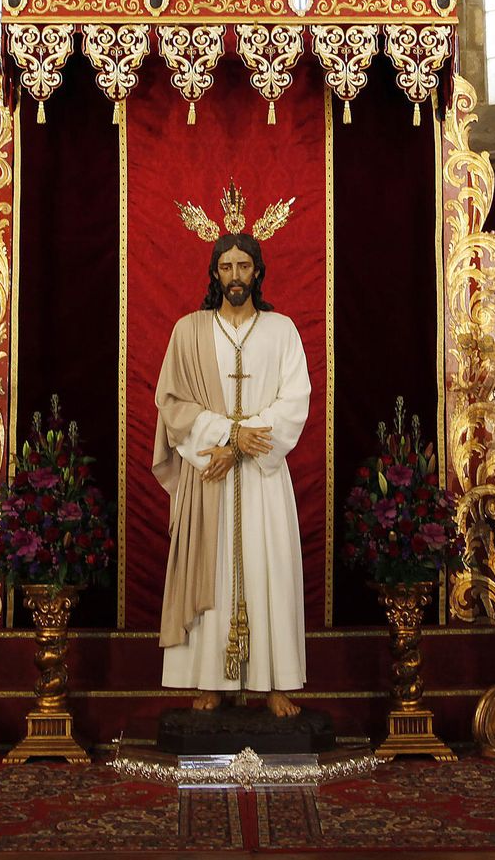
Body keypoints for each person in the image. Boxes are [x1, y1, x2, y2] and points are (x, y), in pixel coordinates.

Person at [153, 230, 312, 717]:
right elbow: (172, 404)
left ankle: (276, 682)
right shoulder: (189, 330)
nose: (235, 276)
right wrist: (225, 437)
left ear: (257, 272)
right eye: (226, 267)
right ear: (215, 273)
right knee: (213, 569)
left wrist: (241, 443)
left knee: (271, 570)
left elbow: (295, 400)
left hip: (264, 480)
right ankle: (210, 681)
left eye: (244, 266)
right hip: (211, 479)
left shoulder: (282, 330)